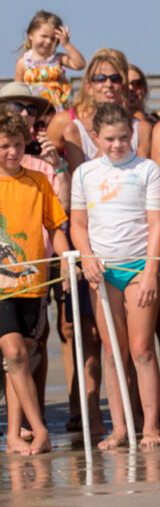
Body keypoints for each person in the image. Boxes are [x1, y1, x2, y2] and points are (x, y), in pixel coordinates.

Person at [70, 102, 160, 449]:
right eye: (109, 139)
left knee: (142, 349)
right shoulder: (84, 174)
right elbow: (78, 225)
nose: (117, 145)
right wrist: (87, 256)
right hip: (103, 271)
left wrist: (153, 271)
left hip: (139, 267)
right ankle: (121, 428)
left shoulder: (148, 170)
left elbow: (156, 224)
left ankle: (151, 427)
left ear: (133, 134)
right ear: (95, 137)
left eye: (124, 137)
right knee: (113, 352)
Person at [0, 107, 69, 455]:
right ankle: (40, 430)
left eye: (16, 144)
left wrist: (68, 260)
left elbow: (55, 225)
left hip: (32, 283)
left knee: (22, 357)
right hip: (0, 288)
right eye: (3, 146)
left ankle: (14, 434)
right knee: (12, 352)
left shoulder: (38, 181)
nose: (12, 152)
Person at [54, 49, 152, 170]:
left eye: (115, 78)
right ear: (89, 87)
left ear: (123, 86)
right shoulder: (72, 129)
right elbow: (79, 182)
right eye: (100, 78)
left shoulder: (141, 129)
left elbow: (144, 177)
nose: (108, 84)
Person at [15, 10, 85, 113]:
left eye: (52, 39)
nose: (48, 41)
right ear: (31, 35)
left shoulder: (57, 59)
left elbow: (80, 64)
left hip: (57, 112)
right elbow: (17, 90)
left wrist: (66, 45)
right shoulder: (24, 62)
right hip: (34, 112)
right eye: (44, 36)